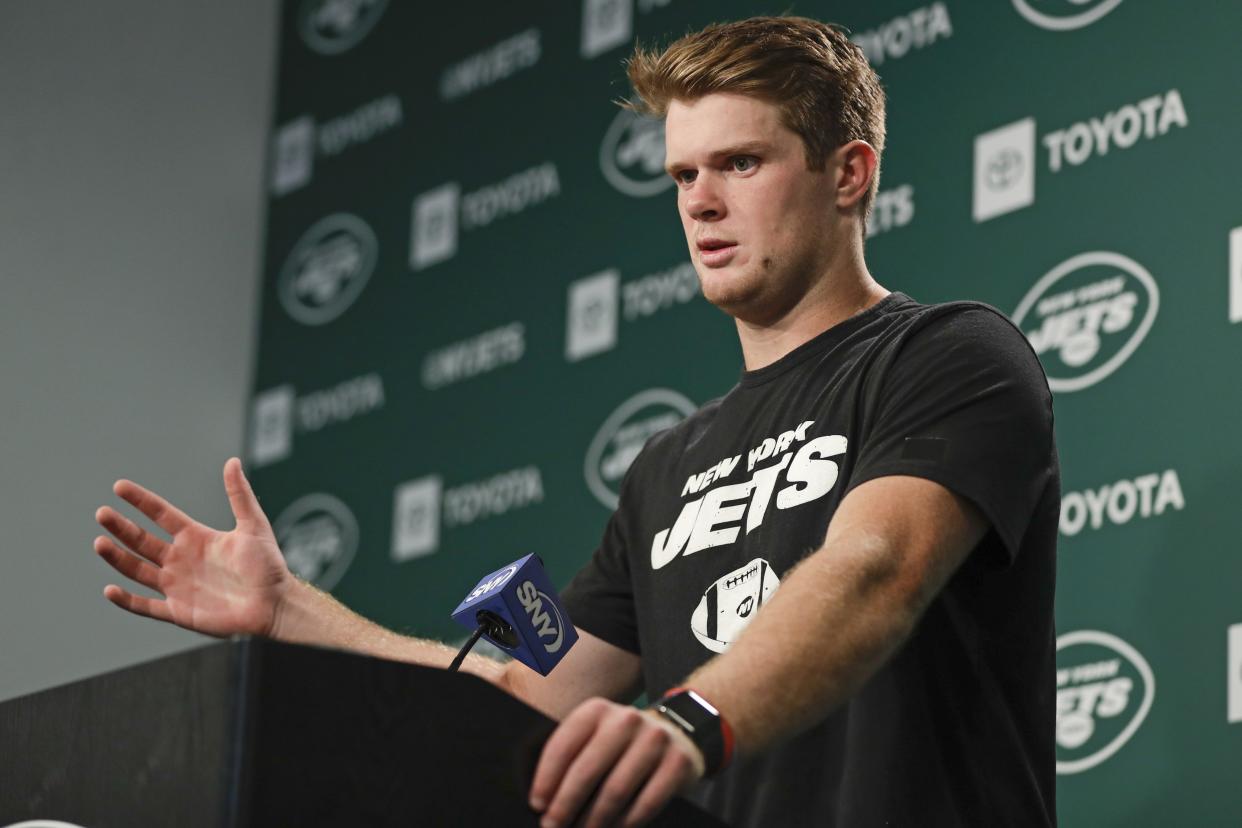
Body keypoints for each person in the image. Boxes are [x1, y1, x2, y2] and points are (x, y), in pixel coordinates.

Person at [93, 16, 1058, 828]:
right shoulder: (666, 466)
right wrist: (291, 611)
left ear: (849, 174)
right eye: (682, 176)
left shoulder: (948, 354)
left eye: (741, 162)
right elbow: (528, 691)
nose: (702, 204)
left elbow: (874, 570)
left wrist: (685, 722)